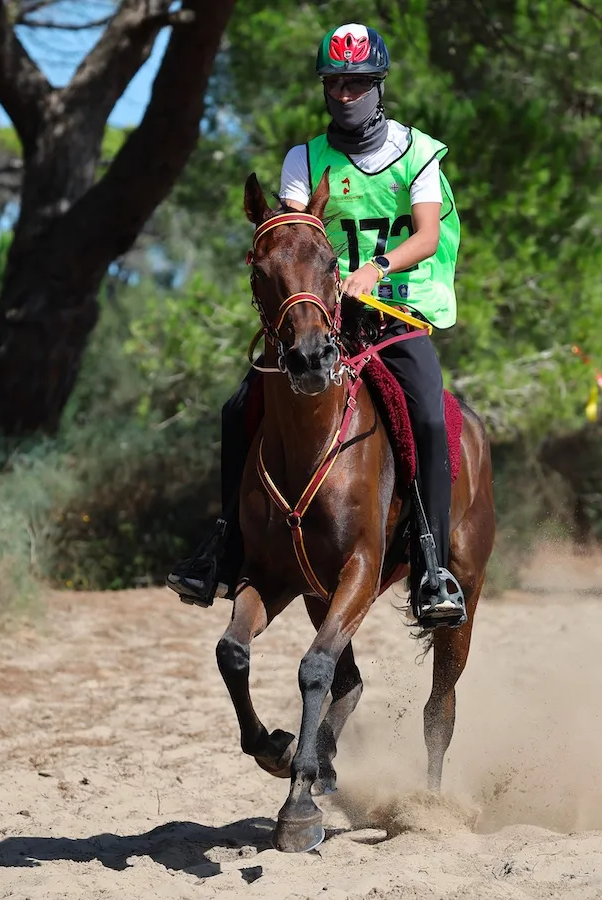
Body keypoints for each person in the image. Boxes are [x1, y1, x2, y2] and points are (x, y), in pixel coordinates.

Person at [167, 23, 467, 627]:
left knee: (431, 416)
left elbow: (428, 234)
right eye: (337, 83)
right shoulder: (303, 159)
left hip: (396, 316)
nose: (347, 93)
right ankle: (223, 549)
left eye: (358, 82)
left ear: (378, 87)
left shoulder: (420, 154)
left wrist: (375, 270)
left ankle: (434, 566)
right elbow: (299, 233)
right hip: (324, 319)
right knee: (239, 408)